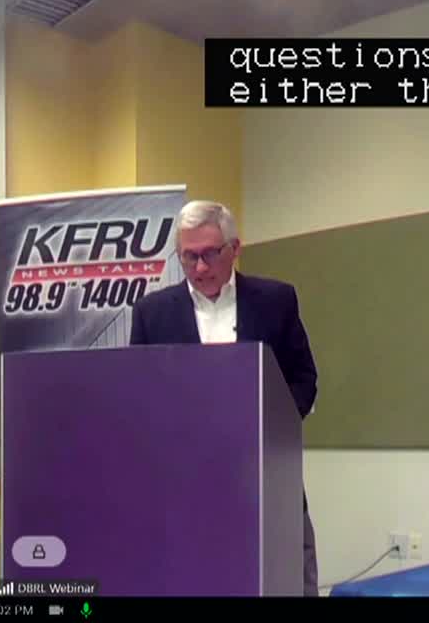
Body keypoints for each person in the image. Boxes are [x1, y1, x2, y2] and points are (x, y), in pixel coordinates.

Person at [128, 200, 321, 596]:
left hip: (266, 478)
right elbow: (139, 396)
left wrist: (275, 426)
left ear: (235, 248)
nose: (200, 267)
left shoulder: (275, 300)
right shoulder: (152, 313)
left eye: (210, 254)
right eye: (188, 257)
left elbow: (303, 378)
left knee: (283, 581)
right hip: (184, 487)